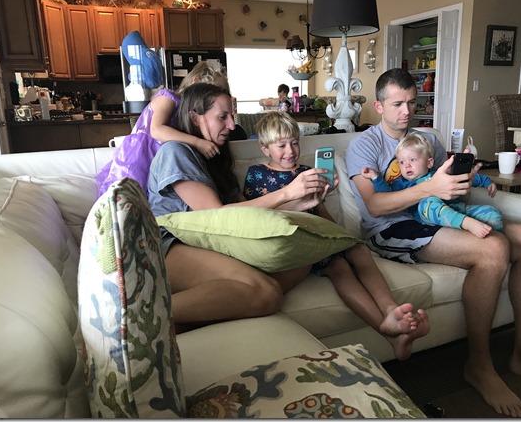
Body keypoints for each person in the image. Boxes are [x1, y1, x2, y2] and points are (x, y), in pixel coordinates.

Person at [345, 68, 521, 417]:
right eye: (397, 104)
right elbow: (375, 205)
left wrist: (469, 180)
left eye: (412, 102)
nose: (407, 111)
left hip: (437, 216)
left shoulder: (427, 140)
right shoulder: (364, 145)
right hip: (392, 228)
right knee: (493, 248)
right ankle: (480, 366)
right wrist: (431, 188)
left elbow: (450, 188)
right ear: (379, 106)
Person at [243, 111, 430, 361]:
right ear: (265, 148)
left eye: (295, 143)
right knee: (340, 267)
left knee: (356, 251)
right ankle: (389, 332)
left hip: (318, 234)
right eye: (282, 145)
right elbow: (257, 215)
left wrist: (335, 228)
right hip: (292, 239)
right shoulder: (257, 174)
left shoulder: (308, 171)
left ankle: (390, 313)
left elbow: (319, 211)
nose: (290, 151)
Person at [147, 82, 332, 328]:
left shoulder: (216, 157)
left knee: (300, 264)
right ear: (195, 117)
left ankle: (187, 321)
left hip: (215, 243)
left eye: (231, 116)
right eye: (222, 117)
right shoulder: (175, 152)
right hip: (170, 246)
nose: (232, 125)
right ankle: (145, 320)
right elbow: (216, 216)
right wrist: (287, 192)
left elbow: (245, 213)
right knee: (268, 292)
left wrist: (299, 204)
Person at [95, 61, 229, 197]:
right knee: (131, 196)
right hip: (141, 156)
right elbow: (157, 130)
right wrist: (197, 142)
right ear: (195, 81)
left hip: (162, 159)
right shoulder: (169, 98)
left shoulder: (190, 113)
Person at [361, 132, 503, 238]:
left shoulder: (439, 174)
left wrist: (486, 182)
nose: (406, 165)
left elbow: (461, 178)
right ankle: (466, 223)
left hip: (456, 208)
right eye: (402, 162)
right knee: (429, 203)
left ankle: (488, 235)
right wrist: (375, 177)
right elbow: (387, 195)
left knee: (493, 213)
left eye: (412, 160)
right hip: (428, 215)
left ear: (429, 163)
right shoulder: (402, 183)